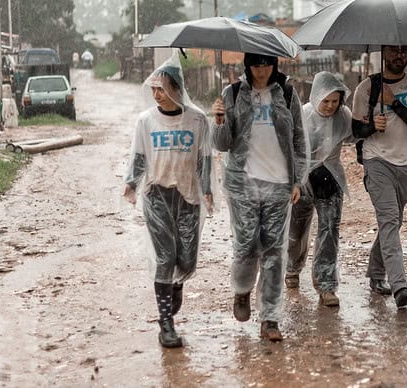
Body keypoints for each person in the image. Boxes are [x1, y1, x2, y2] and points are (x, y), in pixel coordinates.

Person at [211, 52, 308, 342]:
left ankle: (270, 317)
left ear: (274, 65)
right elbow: (222, 144)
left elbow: (299, 139)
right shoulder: (233, 93)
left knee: (274, 252)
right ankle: (242, 290)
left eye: (266, 64)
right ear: (248, 66)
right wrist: (219, 120)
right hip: (243, 184)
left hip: (279, 183)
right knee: (246, 246)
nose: (262, 70)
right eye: (256, 65)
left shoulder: (287, 93)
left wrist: (297, 181)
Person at [123, 55, 213, 348]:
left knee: (185, 260)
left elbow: (204, 158)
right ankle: (166, 325)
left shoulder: (197, 119)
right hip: (157, 194)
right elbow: (139, 155)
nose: (156, 93)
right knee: (165, 258)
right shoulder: (146, 121)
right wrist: (131, 184)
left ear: (177, 88)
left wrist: (208, 190)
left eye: (161, 88)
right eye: (154, 89)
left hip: (188, 196)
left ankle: (175, 285)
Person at [351, 45, 407, 308]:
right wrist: (373, 125)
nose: (399, 56)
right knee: (388, 220)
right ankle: (399, 286)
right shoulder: (367, 88)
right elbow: (355, 130)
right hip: (377, 161)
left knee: (393, 222)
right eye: (394, 51)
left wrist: (395, 102)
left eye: (404, 51)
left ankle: (375, 273)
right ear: (383, 53)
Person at [285, 72, 353, 307]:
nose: (330, 106)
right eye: (326, 101)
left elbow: (357, 135)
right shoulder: (303, 115)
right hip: (303, 181)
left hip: (331, 179)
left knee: (329, 232)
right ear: (316, 97)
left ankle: (326, 285)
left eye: (335, 101)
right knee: (296, 230)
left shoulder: (344, 116)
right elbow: (291, 149)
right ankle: (292, 269)